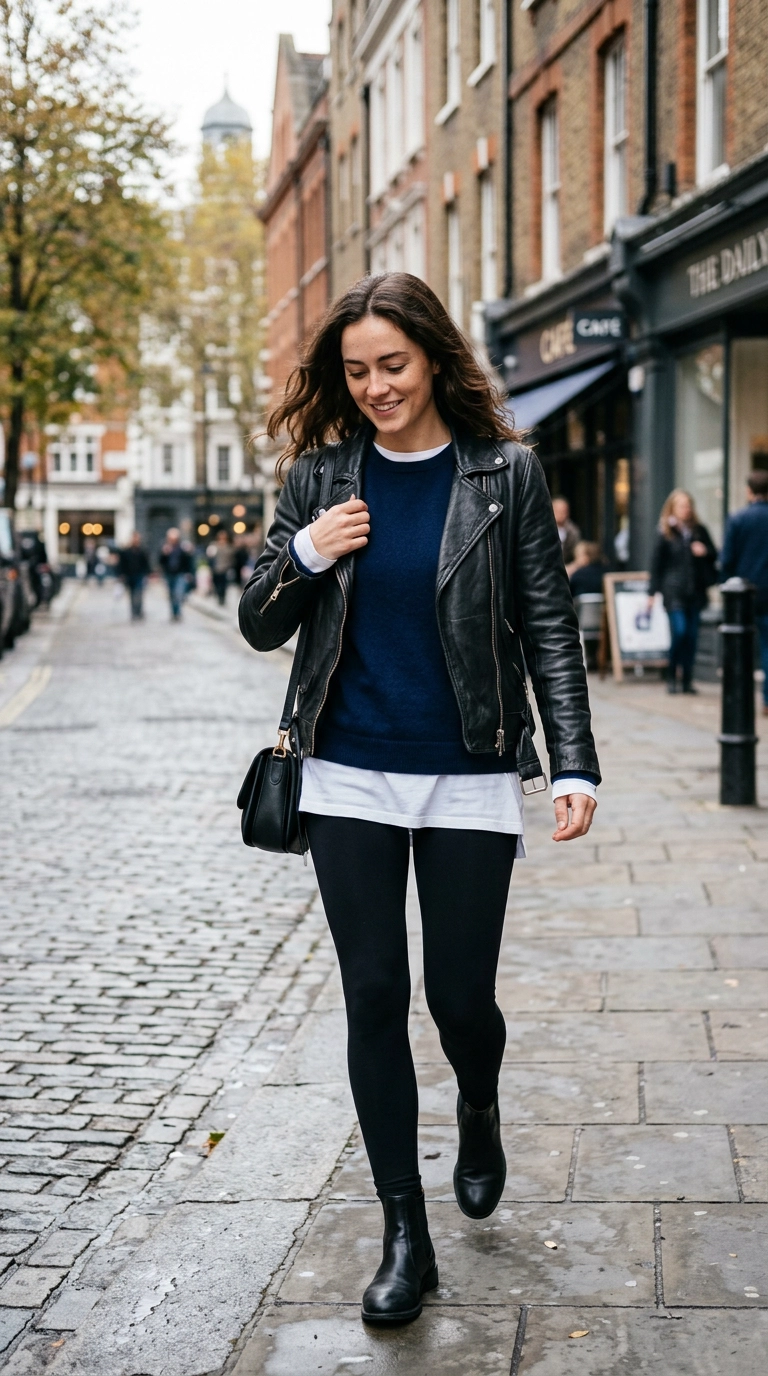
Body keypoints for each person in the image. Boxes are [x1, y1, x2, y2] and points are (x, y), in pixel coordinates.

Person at [239, 273, 600, 1327]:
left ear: (434, 356)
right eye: (356, 371)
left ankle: (478, 1102)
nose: (376, 386)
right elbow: (261, 622)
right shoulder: (320, 477)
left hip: (469, 766)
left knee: (458, 1000)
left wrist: (571, 761)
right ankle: (407, 1230)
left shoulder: (505, 475)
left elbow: (548, 625)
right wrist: (308, 551)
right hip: (345, 765)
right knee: (370, 993)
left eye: (392, 365)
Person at [648, 489, 718, 694]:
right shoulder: (665, 532)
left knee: (692, 636)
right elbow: (656, 565)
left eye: (688, 506)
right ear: (672, 508)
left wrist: (704, 551)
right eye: (681, 506)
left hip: (695, 591)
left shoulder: (699, 530)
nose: (685, 510)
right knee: (680, 632)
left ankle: (687, 680)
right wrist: (652, 593)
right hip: (673, 591)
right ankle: (671, 675)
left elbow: (715, 554)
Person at [721, 469, 768, 717]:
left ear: (749, 491)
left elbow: (727, 560)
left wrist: (725, 586)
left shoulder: (738, 519)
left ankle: (740, 702)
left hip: (744, 596)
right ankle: (767, 700)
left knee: (741, 648)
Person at [158, 527, 194, 621]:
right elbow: (161, 562)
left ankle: (178, 613)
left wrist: (189, 573)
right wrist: (164, 554)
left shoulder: (182, 547)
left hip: (180, 574)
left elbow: (188, 560)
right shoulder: (165, 548)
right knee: (172, 595)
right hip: (169, 574)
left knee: (178, 593)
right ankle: (174, 613)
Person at [118, 532, 151, 620]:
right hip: (129, 575)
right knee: (132, 595)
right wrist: (121, 575)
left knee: (139, 593)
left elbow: (146, 564)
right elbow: (122, 564)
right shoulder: (126, 551)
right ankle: (134, 612)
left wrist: (148, 574)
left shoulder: (143, 550)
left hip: (139, 575)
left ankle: (139, 611)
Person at [208, 529, 235, 606]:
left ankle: (222, 598)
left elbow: (232, 558)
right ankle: (219, 596)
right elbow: (210, 556)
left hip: (225, 569)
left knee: (224, 585)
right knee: (217, 584)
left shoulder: (229, 547)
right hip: (216, 569)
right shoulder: (214, 545)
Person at [552, 496, 581, 566]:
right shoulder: (543, 528)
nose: (561, 514)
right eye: (558, 510)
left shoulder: (573, 531)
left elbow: (577, 554)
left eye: (564, 511)